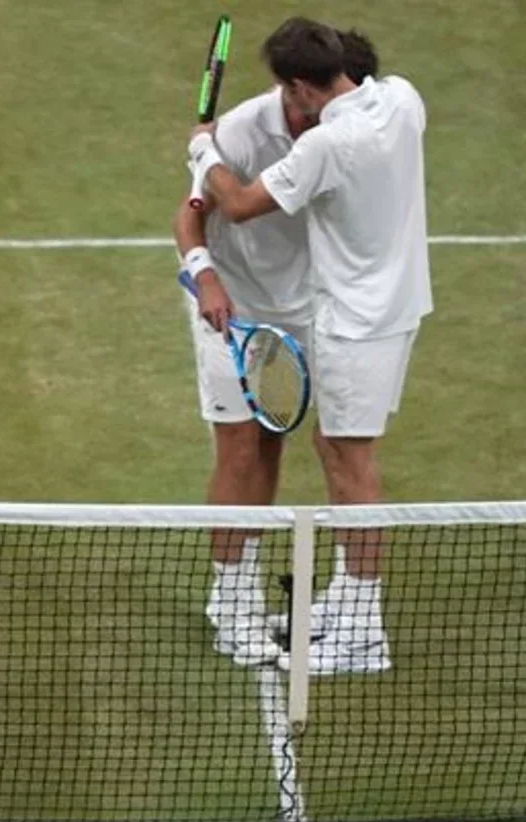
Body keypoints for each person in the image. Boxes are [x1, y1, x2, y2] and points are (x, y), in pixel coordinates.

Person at [190, 18, 431, 674]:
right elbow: (198, 219)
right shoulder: (404, 99)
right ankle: (342, 601)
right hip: (388, 307)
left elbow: (236, 204)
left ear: (300, 86)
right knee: (324, 446)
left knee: (351, 463)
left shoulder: (328, 145)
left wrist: (202, 153)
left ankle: (362, 634)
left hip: (354, 319)